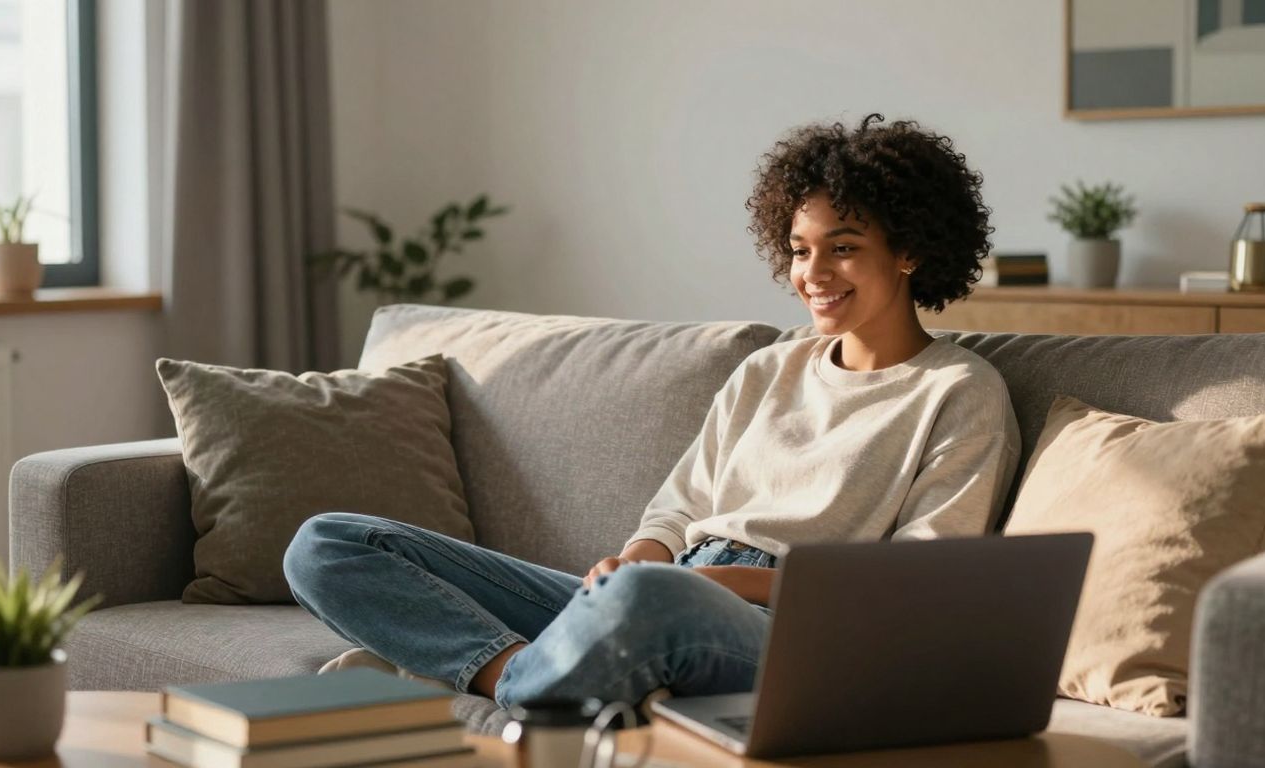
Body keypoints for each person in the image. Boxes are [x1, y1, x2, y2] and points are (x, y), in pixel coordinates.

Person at [283, 112, 1020, 713]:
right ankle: (529, 675)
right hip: (666, 592)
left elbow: (913, 584)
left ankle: (486, 684)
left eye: (844, 248)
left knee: (646, 600)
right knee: (327, 544)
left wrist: (719, 586)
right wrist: (634, 561)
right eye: (799, 250)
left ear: (912, 253)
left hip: (787, 628)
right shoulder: (769, 369)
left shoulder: (959, 392)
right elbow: (678, 509)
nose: (812, 275)